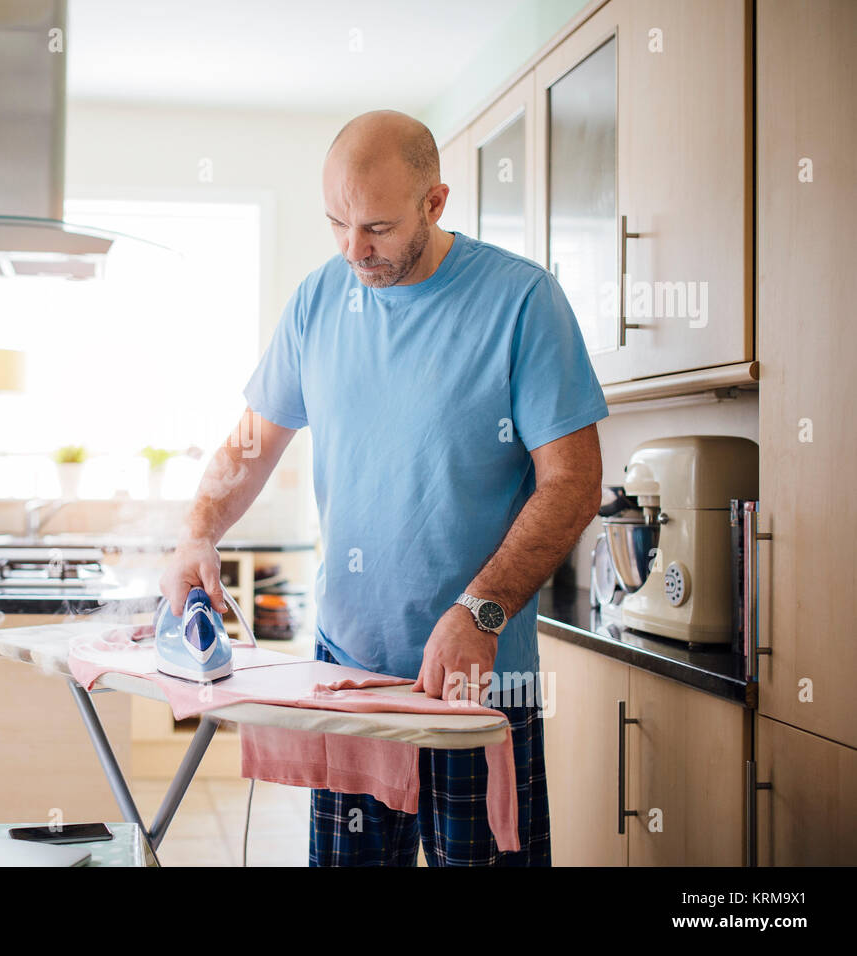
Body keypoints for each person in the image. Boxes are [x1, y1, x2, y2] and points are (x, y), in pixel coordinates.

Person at [159, 109, 607, 867]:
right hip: (349, 674)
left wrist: (481, 610)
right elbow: (250, 441)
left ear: (435, 204)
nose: (352, 250)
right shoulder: (317, 301)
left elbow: (574, 482)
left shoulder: (524, 302)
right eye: (336, 224)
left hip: (475, 678)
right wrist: (197, 529)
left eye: (376, 228)